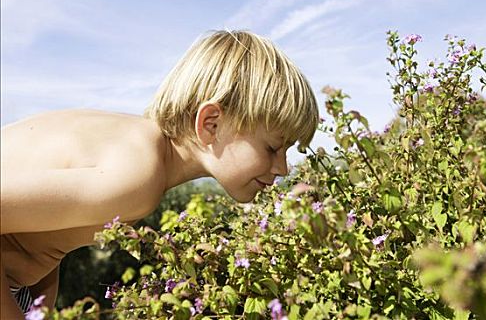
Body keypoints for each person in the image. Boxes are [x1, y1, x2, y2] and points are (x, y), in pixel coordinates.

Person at [0, 29, 319, 318]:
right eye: (273, 148)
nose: (283, 167)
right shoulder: (138, 176)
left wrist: (36, 302)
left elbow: (42, 230)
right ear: (211, 124)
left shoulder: (132, 145)